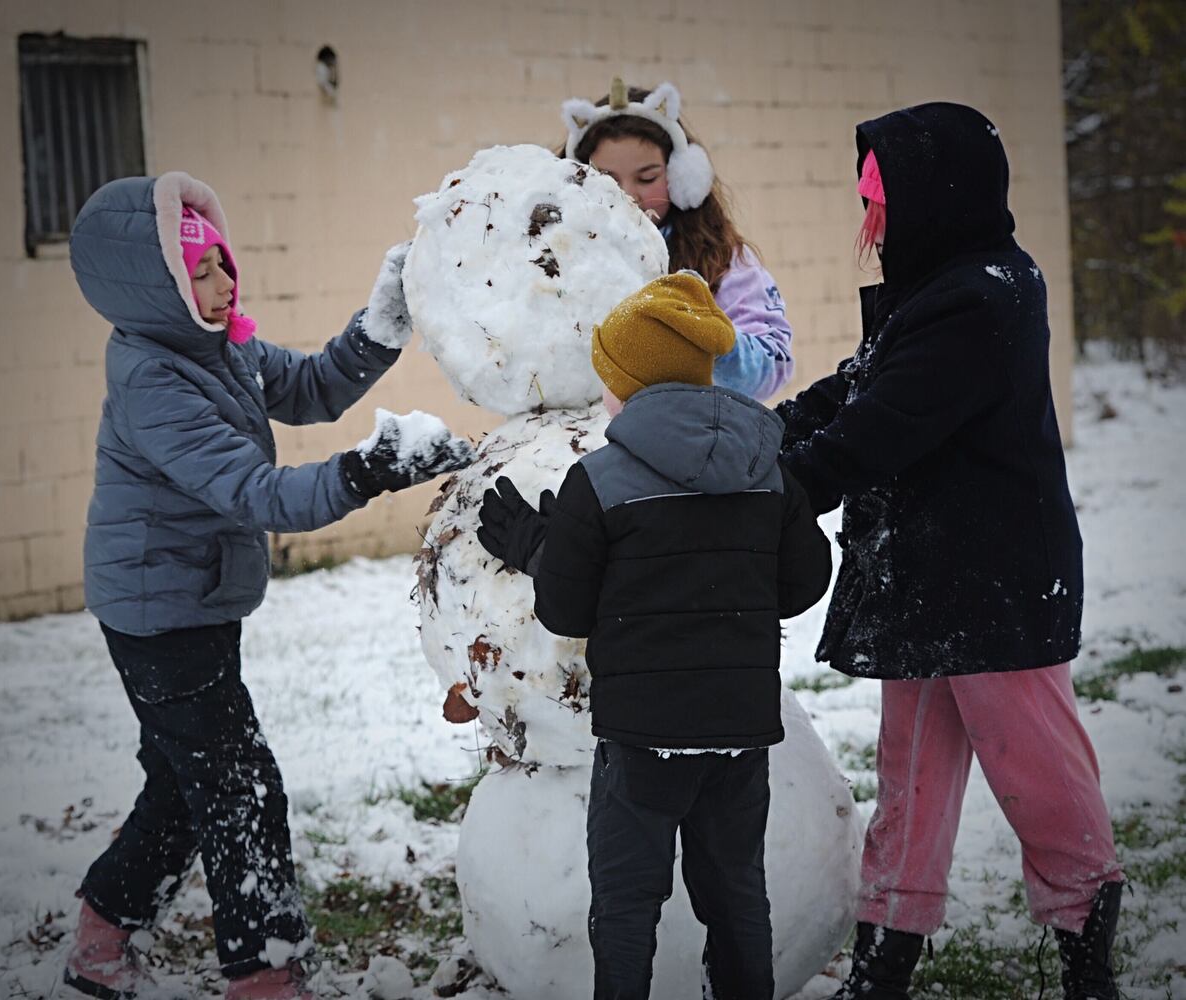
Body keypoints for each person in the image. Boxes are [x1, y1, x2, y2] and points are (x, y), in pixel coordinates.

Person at [64, 171, 473, 1000]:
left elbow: (313, 386)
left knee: (187, 783)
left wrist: (380, 325)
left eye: (220, 262)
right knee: (241, 785)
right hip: (159, 614)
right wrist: (371, 469)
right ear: (154, 289)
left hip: (190, 597)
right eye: (197, 274)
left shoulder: (218, 343)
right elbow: (257, 492)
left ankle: (100, 941)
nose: (222, 284)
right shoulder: (154, 381)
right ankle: (265, 977)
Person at [776, 103, 1125, 1000]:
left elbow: (884, 426)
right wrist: (754, 435)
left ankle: (1086, 945)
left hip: (996, 585)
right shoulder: (940, 284)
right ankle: (885, 956)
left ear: (939, 193)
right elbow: (854, 388)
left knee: (1039, 777)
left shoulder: (985, 294)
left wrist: (782, 489)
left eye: (879, 199)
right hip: (928, 578)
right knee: (911, 783)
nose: (870, 223)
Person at [475, 272, 832, 999]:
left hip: (642, 742)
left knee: (628, 902)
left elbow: (566, 613)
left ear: (627, 384)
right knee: (737, 894)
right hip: (740, 732)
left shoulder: (599, 481)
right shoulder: (769, 470)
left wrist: (543, 549)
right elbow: (803, 585)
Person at [560, 78, 794, 402]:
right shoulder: (554, 255)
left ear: (682, 175)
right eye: (607, 180)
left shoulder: (721, 258)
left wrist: (711, 341)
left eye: (647, 178)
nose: (629, 195)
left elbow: (772, 365)